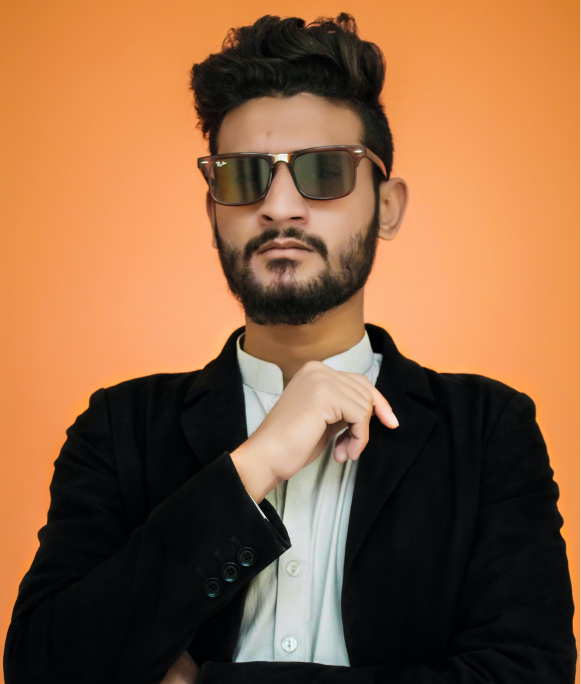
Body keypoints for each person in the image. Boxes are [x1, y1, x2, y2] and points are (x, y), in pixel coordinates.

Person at [3, 13, 576, 684]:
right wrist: (253, 467)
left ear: (387, 207)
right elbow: (41, 666)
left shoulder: (486, 431)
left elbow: (528, 674)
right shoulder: (119, 429)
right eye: (243, 177)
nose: (279, 207)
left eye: (324, 171)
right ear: (212, 209)